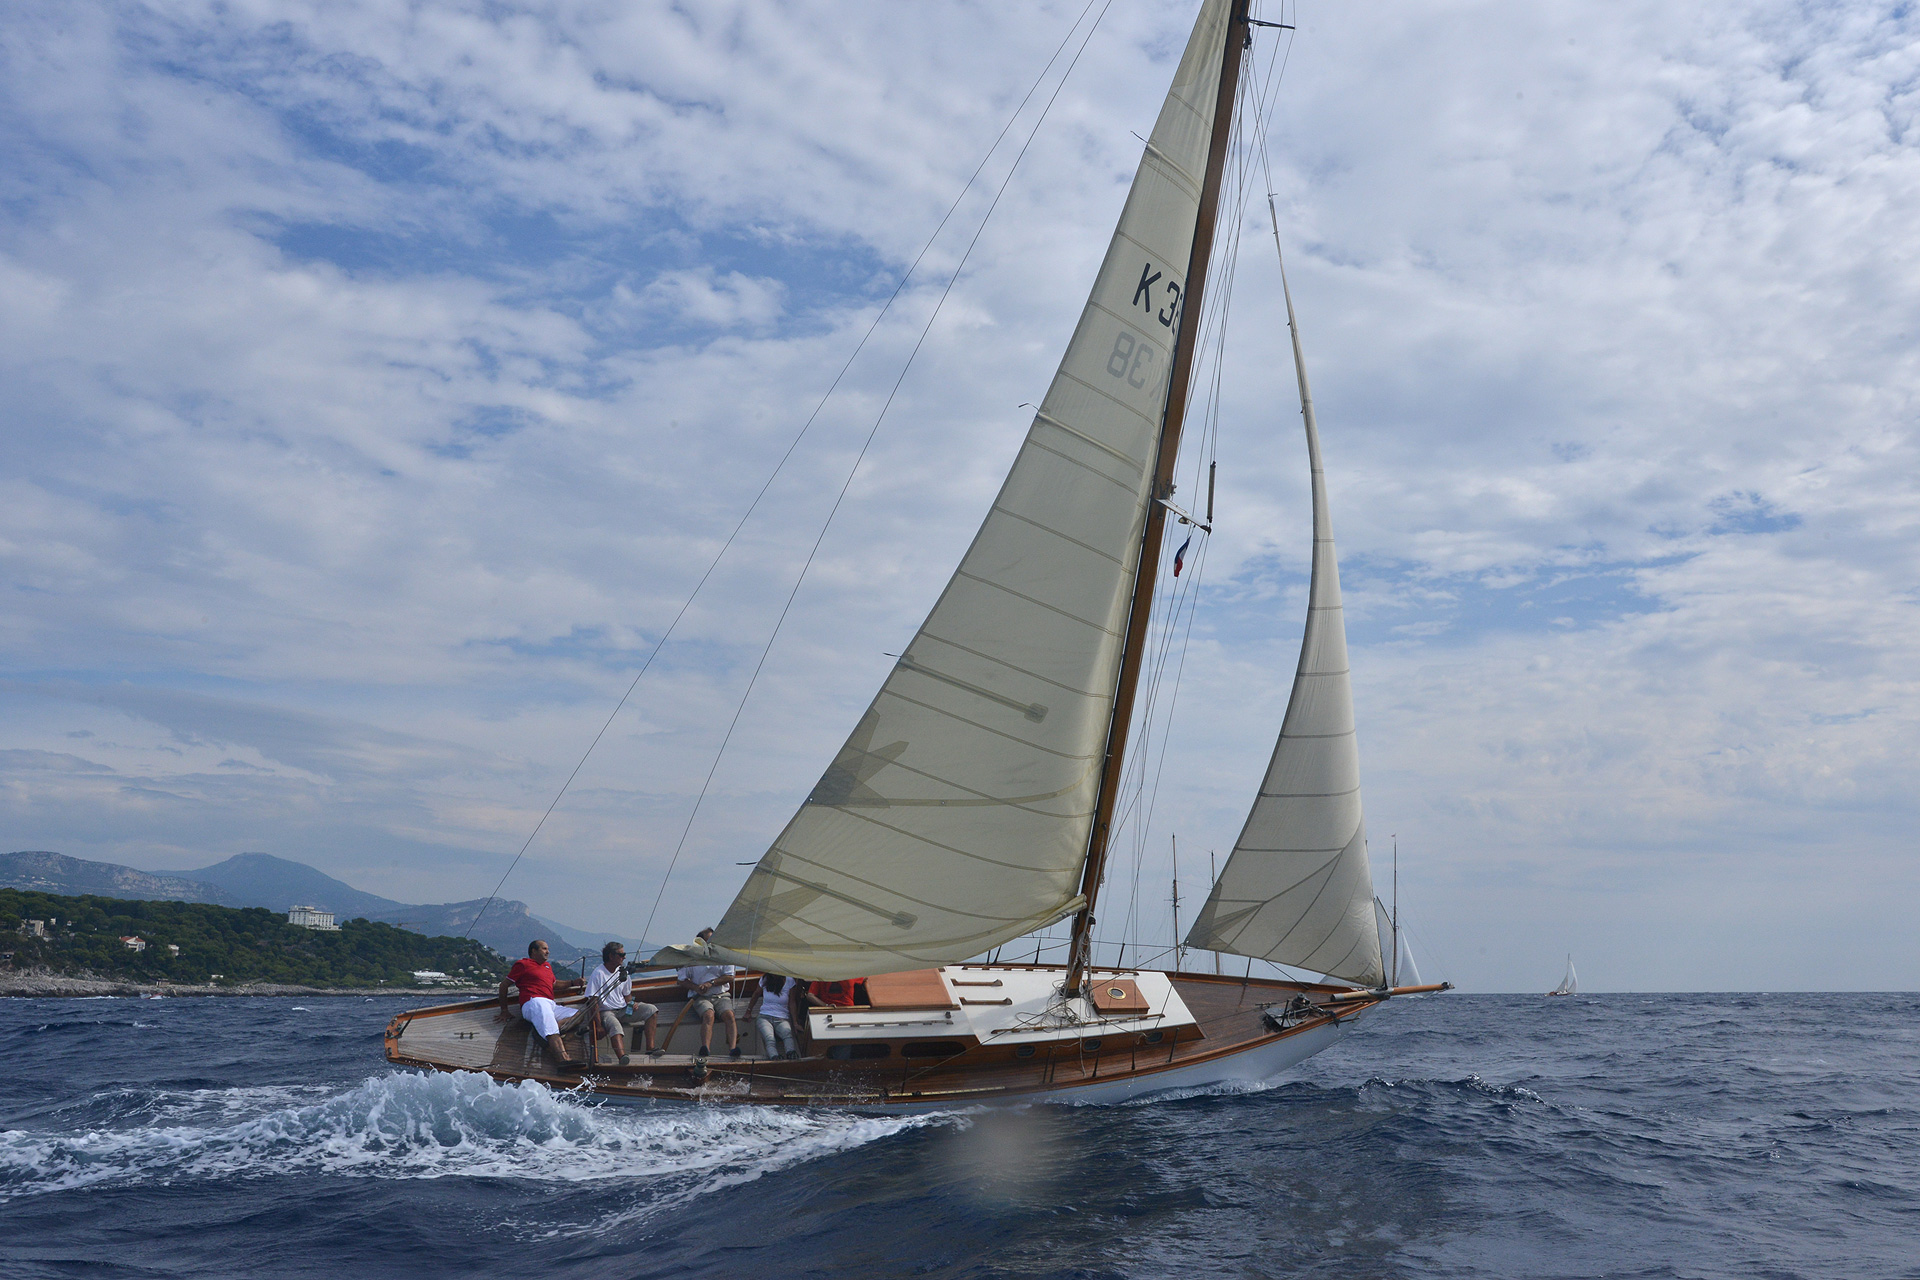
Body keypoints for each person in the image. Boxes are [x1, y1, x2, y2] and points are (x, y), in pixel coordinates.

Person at [495, 939, 590, 1064]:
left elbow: (554, 984)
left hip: (550, 1004)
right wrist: (504, 1010)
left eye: (547, 949)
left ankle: (543, 1032)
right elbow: (504, 985)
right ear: (534, 951)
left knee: (578, 1015)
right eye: (544, 949)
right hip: (534, 1001)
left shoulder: (547, 966)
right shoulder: (523, 964)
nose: (548, 952)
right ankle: (563, 1059)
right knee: (550, 1028)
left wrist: (573, 982)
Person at [583, 941, 660, 1065]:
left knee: (651, 1010)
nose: (624, 957)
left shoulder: (623, 972)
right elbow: (593, 1001)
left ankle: (650, 1048)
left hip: (623, 1009)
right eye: (621, 955)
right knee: (615, 1027)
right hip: (607, 1011)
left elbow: (627, 995)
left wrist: (631, 1004)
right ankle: (622, 1057)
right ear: (611, 956)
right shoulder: (598, 973)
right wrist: (598, 1025)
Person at [676, 926, 739, 1060]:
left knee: (729, 1015)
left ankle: (733, 1049)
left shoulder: (724, 956)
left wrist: (711, 983)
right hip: (701, 996)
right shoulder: (693, 959)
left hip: (721, 995)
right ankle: (705, 1049)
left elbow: (730, 976)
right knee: (709, 1015)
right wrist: (696, 987)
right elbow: (681, 980)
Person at [751, 973, 800, 1061]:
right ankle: (774, 1057)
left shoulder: (789, 980)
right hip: (764, 1017)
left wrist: (795, 1023)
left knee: (787, 1035)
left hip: (782, 1018)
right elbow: (756, 994)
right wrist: (748, 1011)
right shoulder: (765, 979)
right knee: (769, 1038)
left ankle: (791, 1053)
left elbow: (792, 1002)